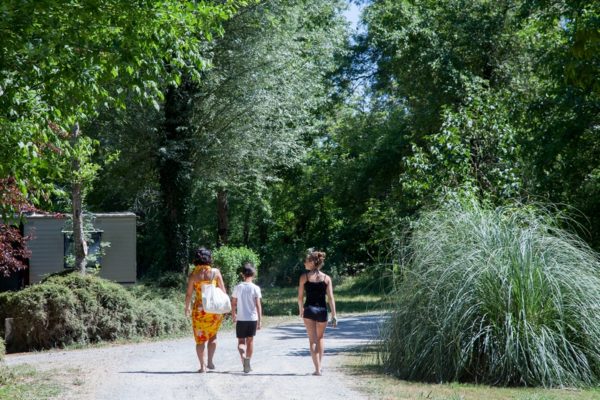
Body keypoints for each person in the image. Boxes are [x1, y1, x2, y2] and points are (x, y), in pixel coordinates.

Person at [185, 247, 227, 372]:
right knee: (213, 335)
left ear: (196, 259)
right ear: (209, 258)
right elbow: (223, 291)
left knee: (200, 339)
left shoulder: (193, 274)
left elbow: (188, 294)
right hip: (214, 310)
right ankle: (210, 362)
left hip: (199, 311)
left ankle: (202, 366)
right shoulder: (215, 272)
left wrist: (186, 307)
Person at [297, 249, 337, 376]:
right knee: (320, 338)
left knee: (312, 340)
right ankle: (320, 366)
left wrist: (300, 310)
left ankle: (317, 369)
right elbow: (330, 298)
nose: (304, 263)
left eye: (306, 261)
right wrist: (334, 315)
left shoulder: (304, 277)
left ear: (312, 263)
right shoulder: (326, 278)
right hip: (322, 311)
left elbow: (300, 297)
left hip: (309, 309)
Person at [231, 262, 262, 373]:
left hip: (241, 319)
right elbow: (258, 305)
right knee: (250, 341)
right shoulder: (255, 288)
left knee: (241, 342)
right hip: (252, 319)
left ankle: (243, 358)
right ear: (253, 275)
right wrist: (260, 320)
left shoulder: (238, 287)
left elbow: (233, 303)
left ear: (242, 275)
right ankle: (248, 360)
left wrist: (233, 314)